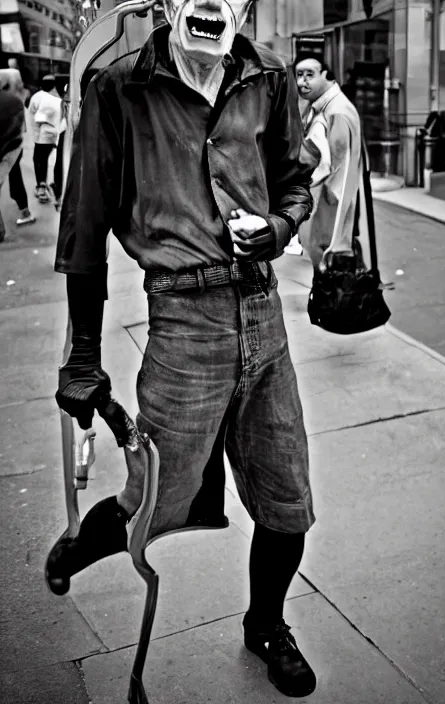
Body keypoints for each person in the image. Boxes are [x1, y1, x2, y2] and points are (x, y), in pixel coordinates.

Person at [47, 0, 317, 697]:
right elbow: (85, 222)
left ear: (245, 7)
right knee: (151, 498)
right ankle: (84, 541)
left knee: (288, 502)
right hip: (182, 321)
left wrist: (281, 228)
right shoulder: (120, 88)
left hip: (264, 316)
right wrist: (82, 353)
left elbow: (292, 181)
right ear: (168, 4)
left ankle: (266, 627)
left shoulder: (270, 79)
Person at [293, 53, 363, 270]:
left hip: (330, 212)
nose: (303, 82)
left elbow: (338, 171)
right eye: (299, 75)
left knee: (332, 275)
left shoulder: (336, 112)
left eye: (310, 75)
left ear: (325, 75)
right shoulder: (321, 107)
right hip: (328, 209)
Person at [0, 70, 36, 241]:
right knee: (16, 177)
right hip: (16, 147)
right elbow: (24, 129)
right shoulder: (17, 100)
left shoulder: (9, 101)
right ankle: (25, 210)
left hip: (6, 148)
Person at [28, 75, 61, 203]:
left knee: (39, 160)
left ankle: (41, 188)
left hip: (42, 137)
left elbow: (34, 117)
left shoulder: (37, 97)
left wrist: (35, 136)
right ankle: (55, 188)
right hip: (56, 136)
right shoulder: (58, 97)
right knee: (51, 161)